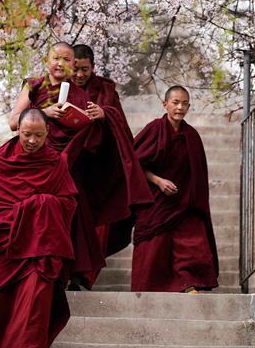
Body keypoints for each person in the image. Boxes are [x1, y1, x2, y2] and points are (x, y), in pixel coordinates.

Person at [9, 41, 152, 289]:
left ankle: (74, 274)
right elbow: (15, 122)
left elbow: (108, 132)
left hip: (79, 163)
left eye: (71, 62)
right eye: (59, 60)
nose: (73, 70)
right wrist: (46, 112)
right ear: (48, 61)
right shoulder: (36, 85)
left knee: (75, 216)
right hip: (42, 158)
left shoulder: (90, 92)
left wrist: (102, 115)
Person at [0, 108, 77, 348]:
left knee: (35, 300)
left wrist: (38, 206)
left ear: (48, 133)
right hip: (2, 246)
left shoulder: (55, 163)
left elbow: (68, 204)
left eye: (38, 136)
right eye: (27, 134)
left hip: (38, 246)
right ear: (18, 129)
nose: (32, 141)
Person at [131, 86, 219, 293]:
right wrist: (158, 181)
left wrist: (193, 199)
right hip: (156, 199)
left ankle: (188, 283)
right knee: (155, 246)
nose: (180, 107)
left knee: (192, 240)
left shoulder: (191, 136)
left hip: (184, 200)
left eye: (184, 104)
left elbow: (197, 173)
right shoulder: (154, 129)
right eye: (175, 103)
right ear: (165, 104)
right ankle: (151, 290)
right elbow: (134, 164)